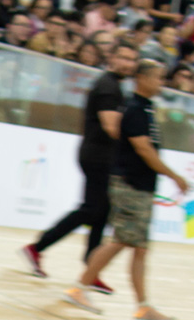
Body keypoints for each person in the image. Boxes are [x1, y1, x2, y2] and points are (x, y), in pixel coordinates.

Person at [61, 59, 188, 320]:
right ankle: (81, 288)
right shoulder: (135, 110)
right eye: (157, 77)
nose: (161, 83)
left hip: (139, 184)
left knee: (137, 246)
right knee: (122, 241)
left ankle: (142, 306)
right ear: (141, 78)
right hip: (131, 184)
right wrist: (173, 175)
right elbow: (144, 149)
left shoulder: (145, 109)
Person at [24, 41, 135, 284]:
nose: (127, 63)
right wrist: (133, 146)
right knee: (91, 209)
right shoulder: (108, 87)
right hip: (98, 156)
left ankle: (90, 268)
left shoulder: (113, 86)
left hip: (100, 155)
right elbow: (110, 125)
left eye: (131, 59)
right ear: (112, 58)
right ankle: (38, 247)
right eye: (123, 57)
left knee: (102, 211)